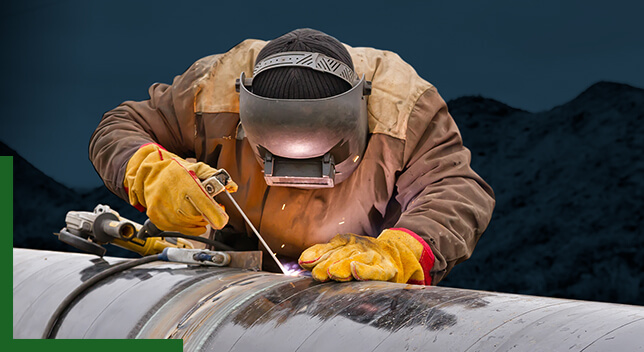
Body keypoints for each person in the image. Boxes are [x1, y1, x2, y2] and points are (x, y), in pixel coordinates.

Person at [89, 28, 495, 285]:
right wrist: (149, 169)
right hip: (225, 276)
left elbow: (455, 189)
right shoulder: (210, 92)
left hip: (354, 292)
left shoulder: (403, 109)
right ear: (245, 112)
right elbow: (120, 126)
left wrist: (403, 248)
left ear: (361, 107)